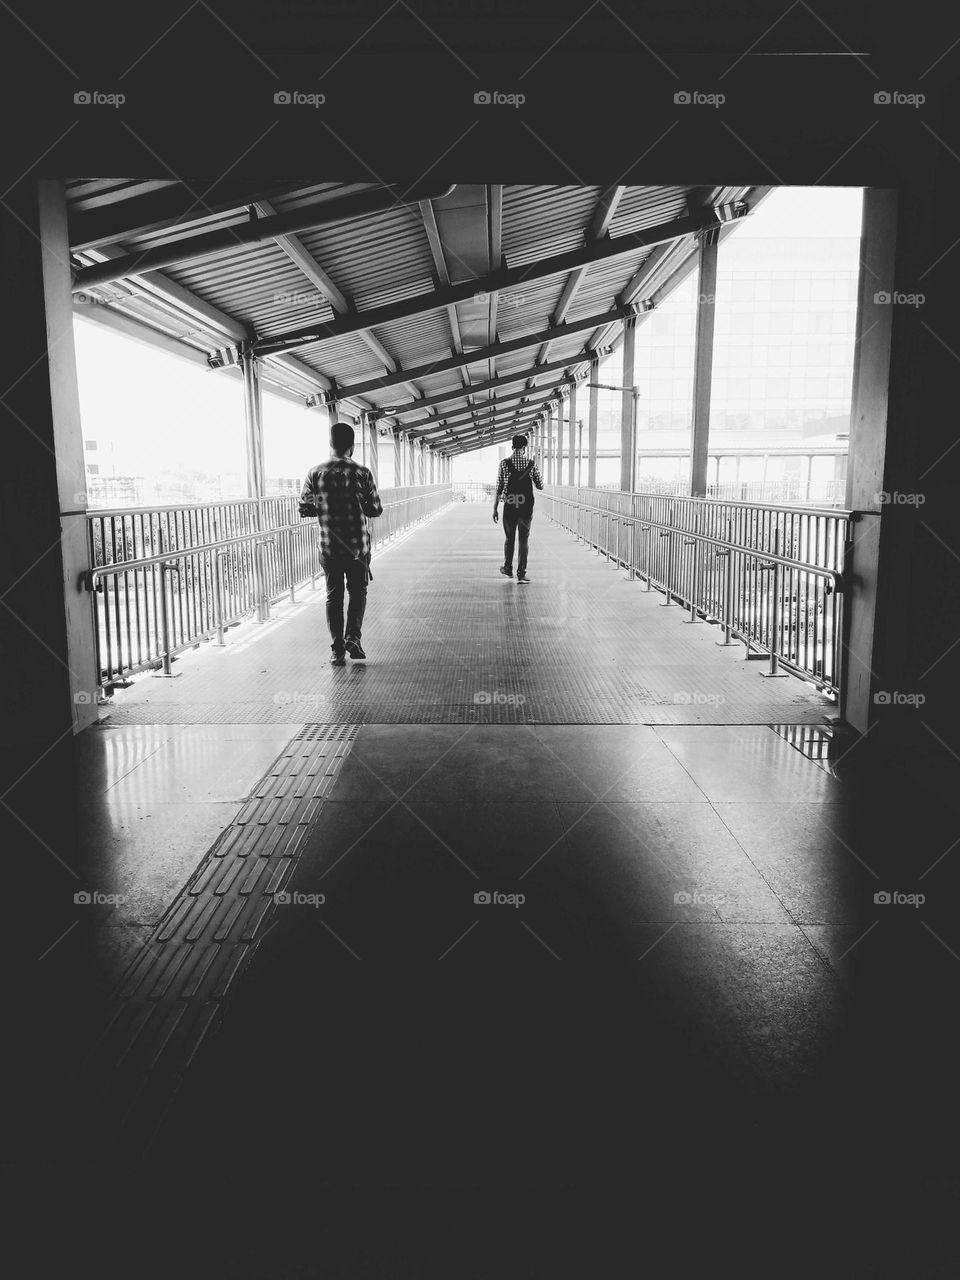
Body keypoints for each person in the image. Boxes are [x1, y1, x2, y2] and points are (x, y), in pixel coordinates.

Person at [300, 421, 383, 665]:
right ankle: (353, 638)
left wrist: (325, 507)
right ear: (352, 446)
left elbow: (304, 507)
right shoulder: (362, 473)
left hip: (329, 547)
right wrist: (358, 504)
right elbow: (375, 509)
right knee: (358, 592)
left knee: (333, 596)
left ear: (331, 444)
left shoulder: (315, 473)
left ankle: (337, 649)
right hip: (358, 547)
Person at [492, 433, 544, 583]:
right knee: (523, 539)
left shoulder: (504, 463)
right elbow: (540, 485)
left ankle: (508, 568)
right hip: (526, 506)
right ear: (524, 448)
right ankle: (521, 573)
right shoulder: (531, 464)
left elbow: (499, 487)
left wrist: (495, 508)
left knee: (510, 538)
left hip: (510, 504)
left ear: (512, 447)